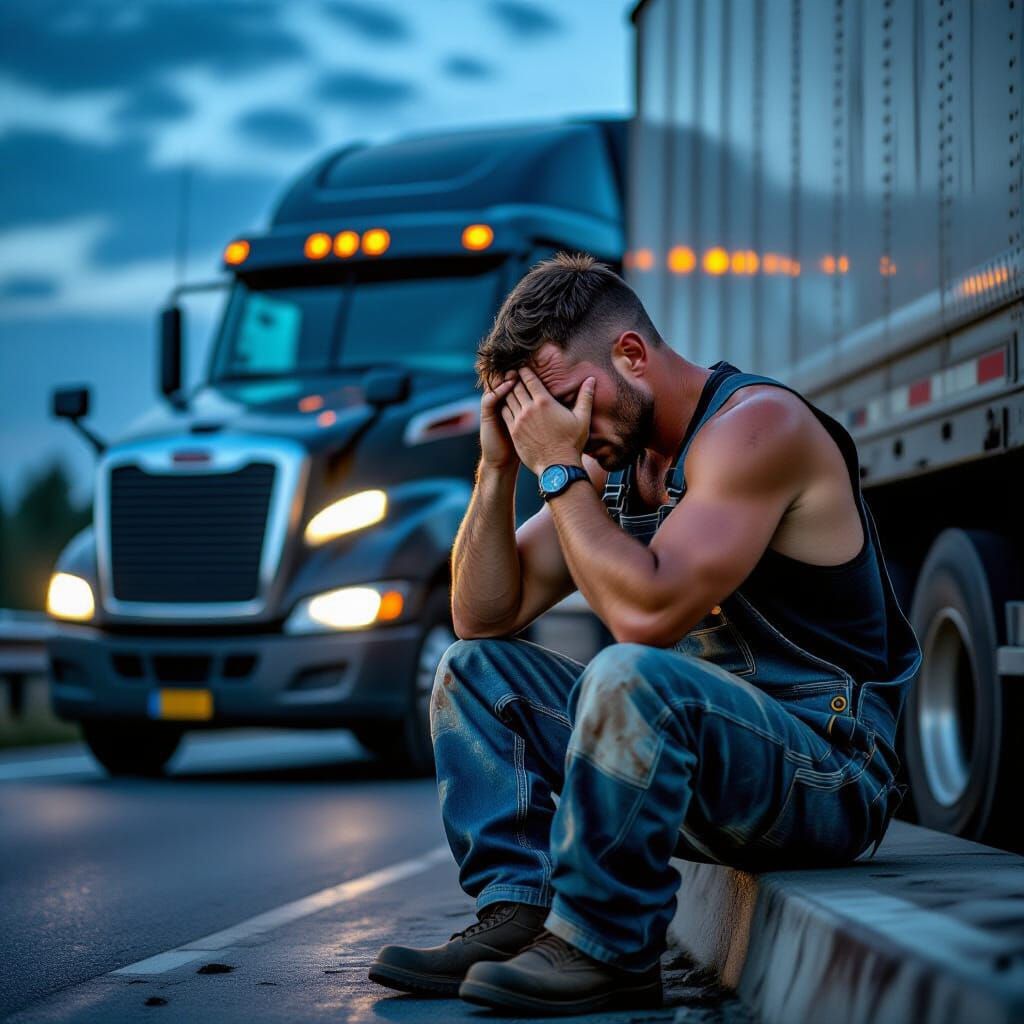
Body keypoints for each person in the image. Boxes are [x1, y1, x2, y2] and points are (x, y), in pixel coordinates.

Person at [368, 252, 921, 1015]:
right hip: (707, 758)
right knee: (473, 670)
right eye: (531, 414)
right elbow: (483, 616)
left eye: (562, 402)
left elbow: (646, 619)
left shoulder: (757, 427)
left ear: (630, 354)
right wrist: (499, 469)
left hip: (827, 771)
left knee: (628, 671)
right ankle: (518, 912)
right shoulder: (613, 453)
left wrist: (559, 472)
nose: (556, 430)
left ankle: (606, 947)